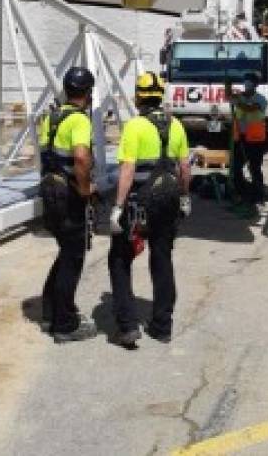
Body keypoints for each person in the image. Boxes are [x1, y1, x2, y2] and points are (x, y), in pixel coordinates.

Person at [108, 72, 191, 348]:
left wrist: (117, 208)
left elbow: (128, 169)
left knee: (120, 259)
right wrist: (185, 197)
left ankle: (128, 326)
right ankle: (162, 326)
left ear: (139, 97)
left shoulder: (135, 126)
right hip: (169, 199)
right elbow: (185, 168)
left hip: (141, 202)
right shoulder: (176, 124)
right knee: (162, 258)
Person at [38, 66, 97, 343]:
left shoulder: (50, 118)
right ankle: (64, 325)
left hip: (50, 192)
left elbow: (46, 156)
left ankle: (51, 310)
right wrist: (86, 191)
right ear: (88, 92)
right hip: (70, 196)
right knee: (73, 258)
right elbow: (82, 159)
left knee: (65, 253)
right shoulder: (80, 121)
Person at [225, 72, 268, 203]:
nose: (247, 84)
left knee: (254, 167)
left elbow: (249, 109)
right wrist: (227, 85)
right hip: (240, 138)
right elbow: (228, 97)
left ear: (255, 85)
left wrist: (237, 101)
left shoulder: (261, 99)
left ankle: (258, 194)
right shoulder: (240, 97)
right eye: (246, 81)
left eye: (250, 82)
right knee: (236, 167)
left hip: (255, 140)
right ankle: (240, 191)